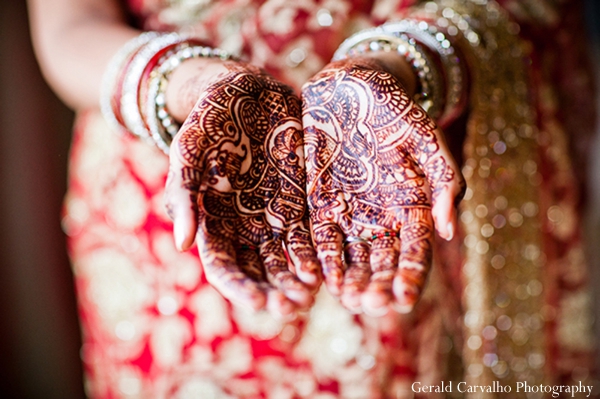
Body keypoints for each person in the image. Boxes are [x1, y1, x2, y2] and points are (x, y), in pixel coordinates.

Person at [27, 0, 596, 397]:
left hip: (403, 179)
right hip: (189, 198)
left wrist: (404, 63)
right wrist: (184, 84)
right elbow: (68, 25)